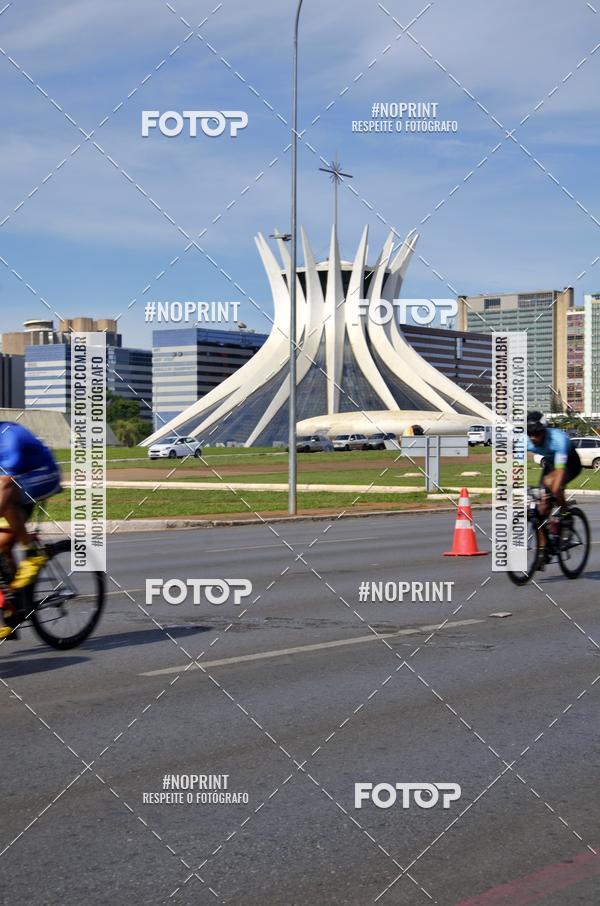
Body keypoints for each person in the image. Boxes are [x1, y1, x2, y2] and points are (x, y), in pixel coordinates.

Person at [0, 421, 62, 639]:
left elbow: (7, 483)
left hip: (43, 476)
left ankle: (32, 552)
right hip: (14, 486)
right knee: (2, 547)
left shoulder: (9, 437)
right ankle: (15, 606)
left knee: (6, 496)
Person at [526, 411, 581, 569]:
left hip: (569, 463)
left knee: (554, 488)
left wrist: (553, 491)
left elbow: (560, 471)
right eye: (530, 433)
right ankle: (543, 550)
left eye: (537, 433)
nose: (533, 437)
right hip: (550, 464)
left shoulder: (558, 440)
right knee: (541, 510)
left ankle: (566, 515)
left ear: (544, 431)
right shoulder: (526, 441)